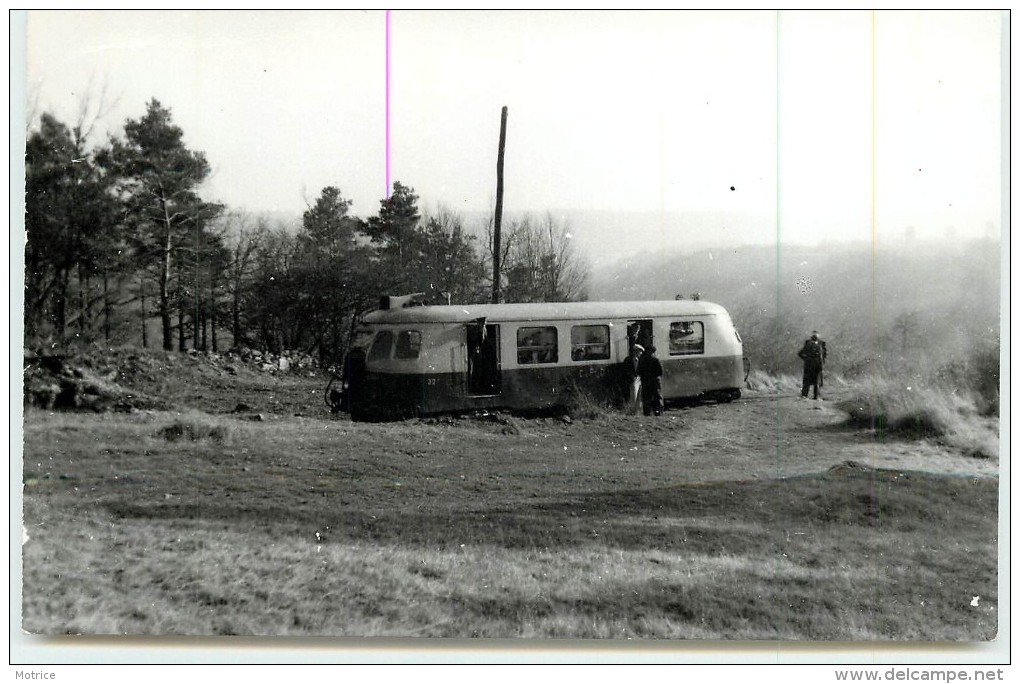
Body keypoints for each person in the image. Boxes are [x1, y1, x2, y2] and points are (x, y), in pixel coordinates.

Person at [797, 330, 827, 400]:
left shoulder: (822, 344)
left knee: (817, 382)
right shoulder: (807, 343)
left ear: (818, 336)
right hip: (809, 366)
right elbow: (800, 353)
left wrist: (822, 362)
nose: (815, 336)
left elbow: (824, 355)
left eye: (816, 335)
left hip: (818, 366)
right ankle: (804, 396)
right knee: (807, 382)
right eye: (814, 335)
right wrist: (806, 359)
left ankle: (816, 396)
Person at [638, 345, 664, 416]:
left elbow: (639, 371)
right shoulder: (655, 360)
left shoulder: (642, 360)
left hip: (645, 381)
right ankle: (658, 413)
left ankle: (647, 413)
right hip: (655, 381)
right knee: (657, 397)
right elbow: (660, 372)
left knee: (646, 398)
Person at [623, 343, 643, 414]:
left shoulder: (640, 360)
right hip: (633, 379)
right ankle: (632, 411)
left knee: (639, 396)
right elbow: (625, 370)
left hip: (639, 378)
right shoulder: (628, 360)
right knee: (633, 396)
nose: (640, 353)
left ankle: (637, 411)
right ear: (635, 351)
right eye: (639, 352)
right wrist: (631, 377)